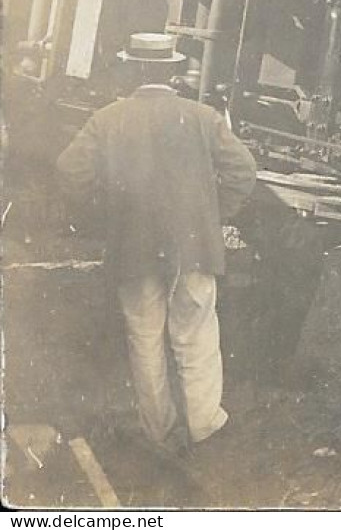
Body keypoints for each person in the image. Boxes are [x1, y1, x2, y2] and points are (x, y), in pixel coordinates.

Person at [55, 33, 259, 454]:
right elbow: (243, 171)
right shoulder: (203, 117)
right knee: (197, 333)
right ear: (173, 71)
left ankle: (159, 430)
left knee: (145, 337)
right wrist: (214, 214)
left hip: (134, 244)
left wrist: (103, 214)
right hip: (195, 245)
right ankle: (204, 424)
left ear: (133, 70)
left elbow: (70, 171)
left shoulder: (107, 119)